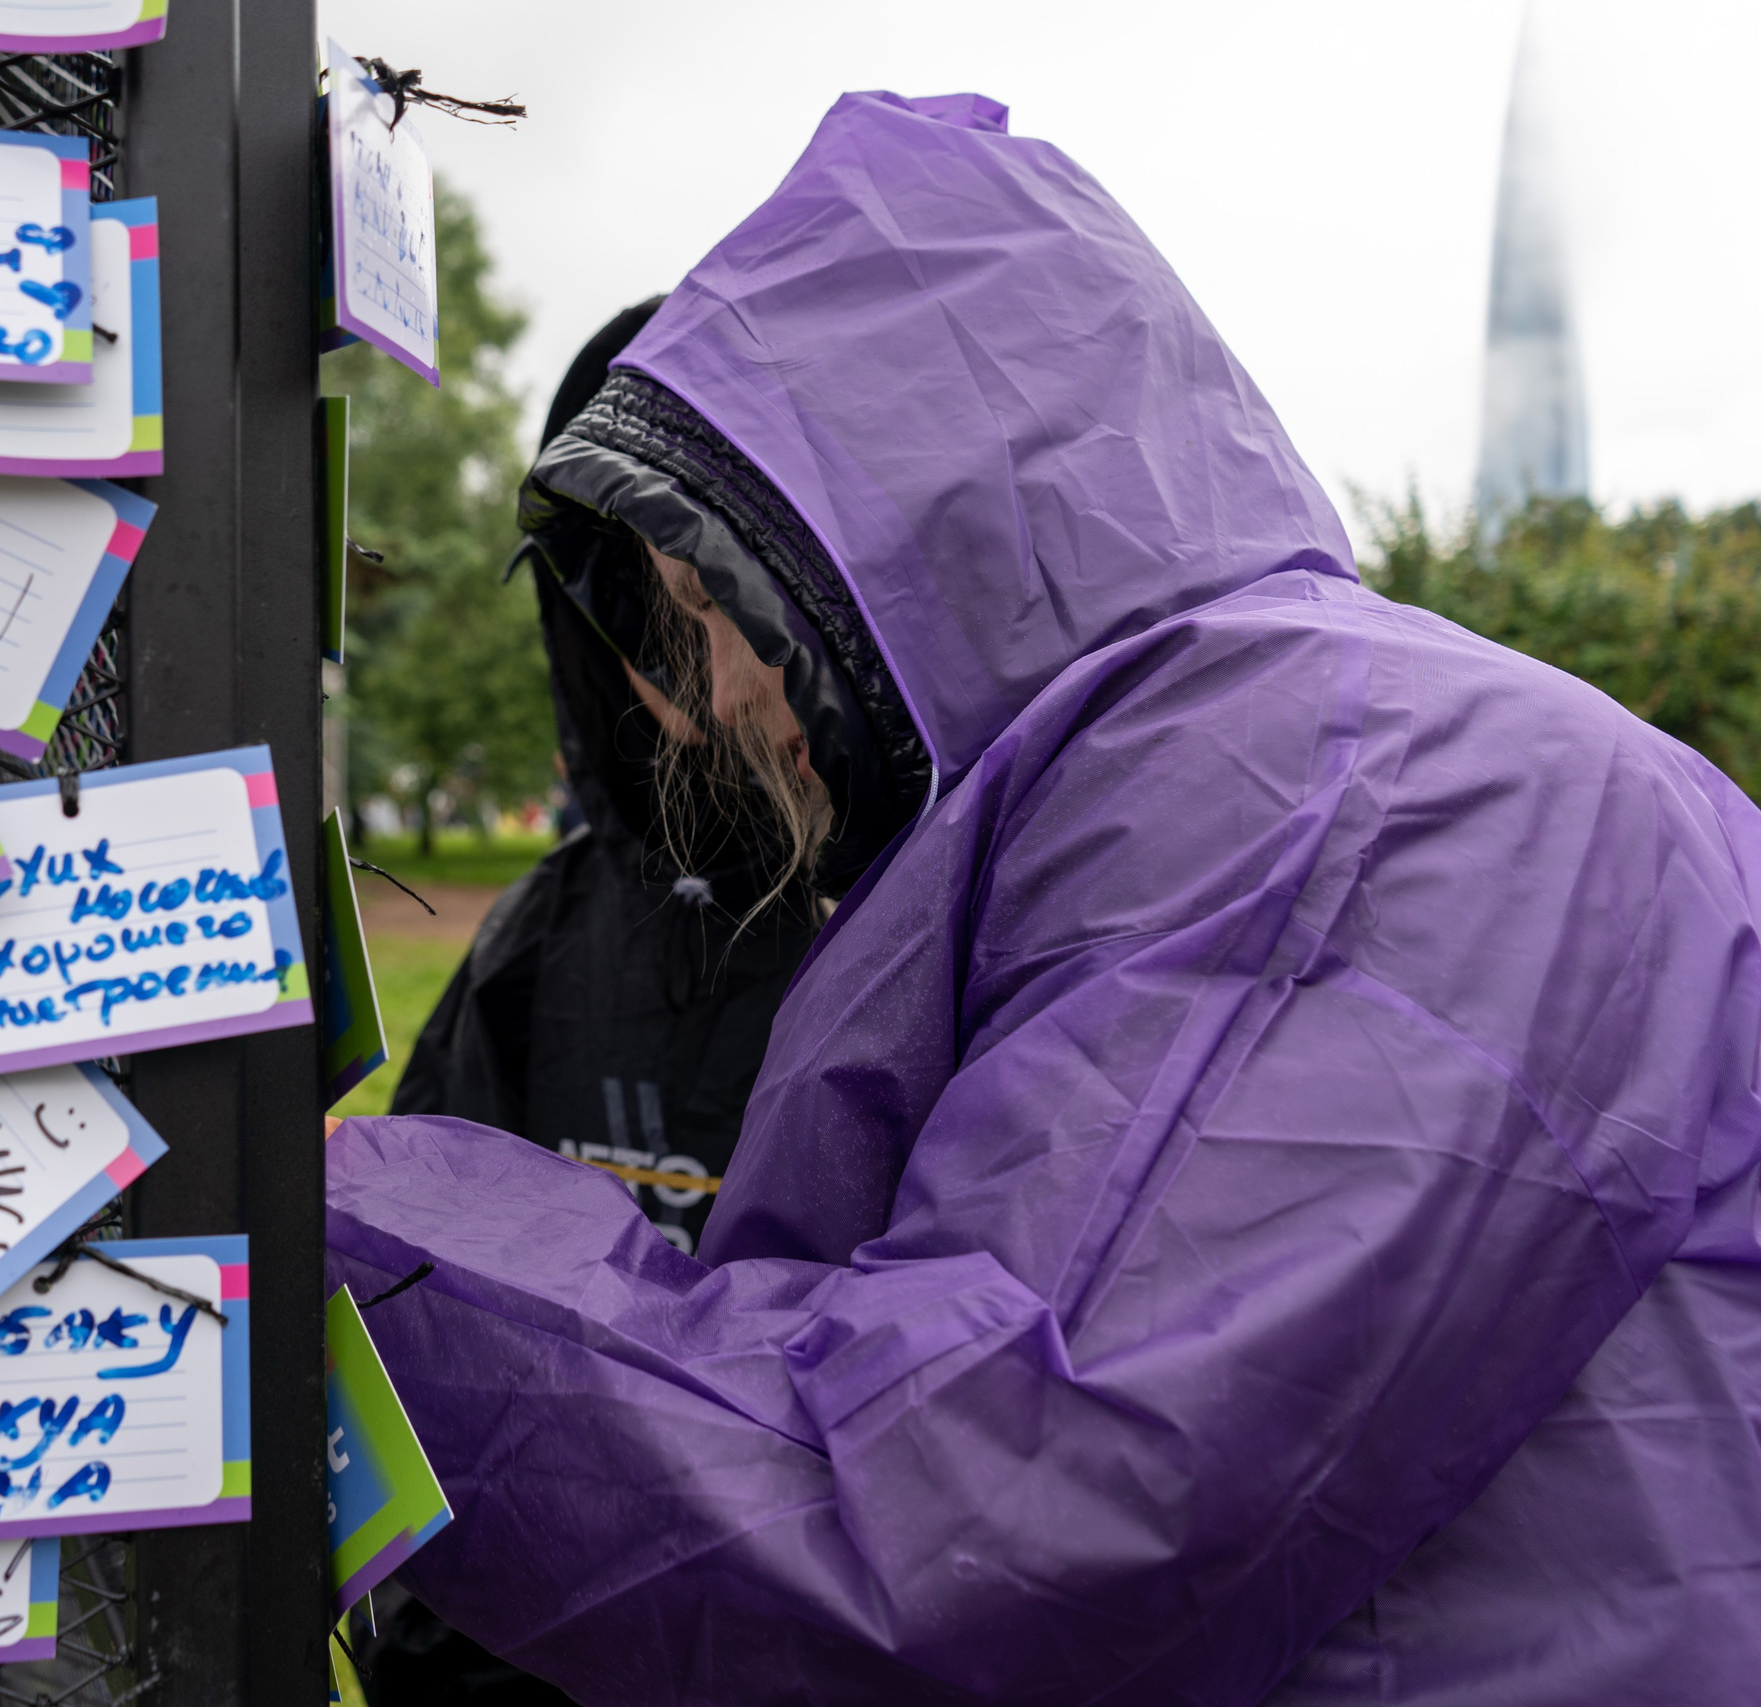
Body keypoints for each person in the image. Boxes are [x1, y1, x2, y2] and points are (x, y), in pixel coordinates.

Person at [326, 90, 1761, 1705]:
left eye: (707, 601)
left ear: (880, 531)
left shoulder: (1341, 814)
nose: (706, 696)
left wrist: (341, 1251)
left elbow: (974, 1527)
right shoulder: (1199, 781)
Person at [391, 295, 823, 1258]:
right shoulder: (536, 934)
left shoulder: (900, 925)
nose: (717, 686)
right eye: (657, 613)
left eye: (726, 600)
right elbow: (434, 1278)